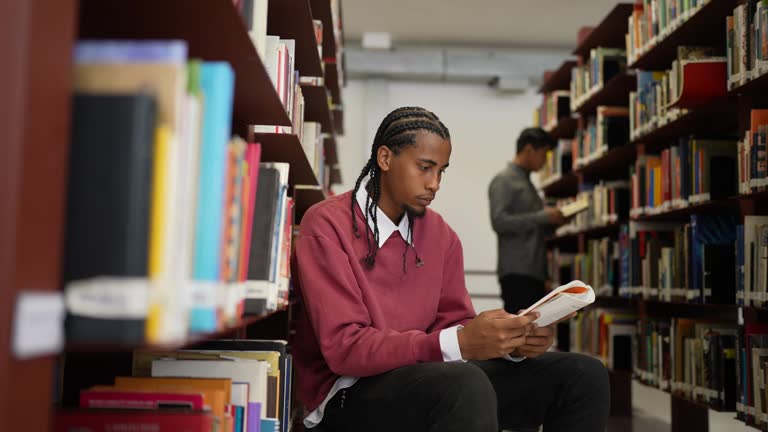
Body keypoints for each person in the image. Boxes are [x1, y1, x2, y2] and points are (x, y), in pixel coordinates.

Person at [292, 108, 609, 432]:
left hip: (433, 374)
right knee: (464, 384)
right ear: (385, 158)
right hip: (350, 389)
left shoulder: (441, 235)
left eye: (442, 171)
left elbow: (454, 327)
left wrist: (509, 344)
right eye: (425, 168)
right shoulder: (327, 224)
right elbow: (346, 349)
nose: (435, 184)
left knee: (583, 375)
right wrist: (458, 343)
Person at [489, 127, 568, 315]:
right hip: (517, 271)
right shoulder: (504, 180)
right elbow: (499, 222)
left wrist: (554, 222)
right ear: (529, 149)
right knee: (519, 332)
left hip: (534, 271)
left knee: (530, 333)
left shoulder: (528, 183)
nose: (545, 160)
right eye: (543, 154)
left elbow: (531, 226)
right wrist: (543, 217)